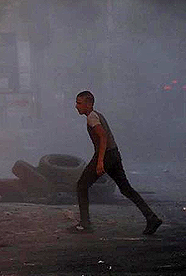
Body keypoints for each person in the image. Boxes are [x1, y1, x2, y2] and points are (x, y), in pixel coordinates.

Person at [69, 90, 162, 235]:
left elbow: (103, 137)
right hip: (114, 155)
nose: (76, 106)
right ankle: (152, 218)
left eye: (79, 103)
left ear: (88, 104)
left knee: (81, 185)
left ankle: (85, 224)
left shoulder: (92, 118)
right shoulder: (97, 115)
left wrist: (100, 162)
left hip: (106, 155)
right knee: (126, 189)